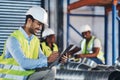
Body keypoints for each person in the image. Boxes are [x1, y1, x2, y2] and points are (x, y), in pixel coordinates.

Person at [0, 6, 63, 80]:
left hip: (26, 76)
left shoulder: (35, 40)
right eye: (38, 24)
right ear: (29, 21)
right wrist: (46, 60)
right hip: (11, 78)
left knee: (52, 70)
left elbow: (43, 59)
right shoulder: (13, 39)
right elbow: (23, 63)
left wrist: (57, 60)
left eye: (42, 25)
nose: (40, 28)